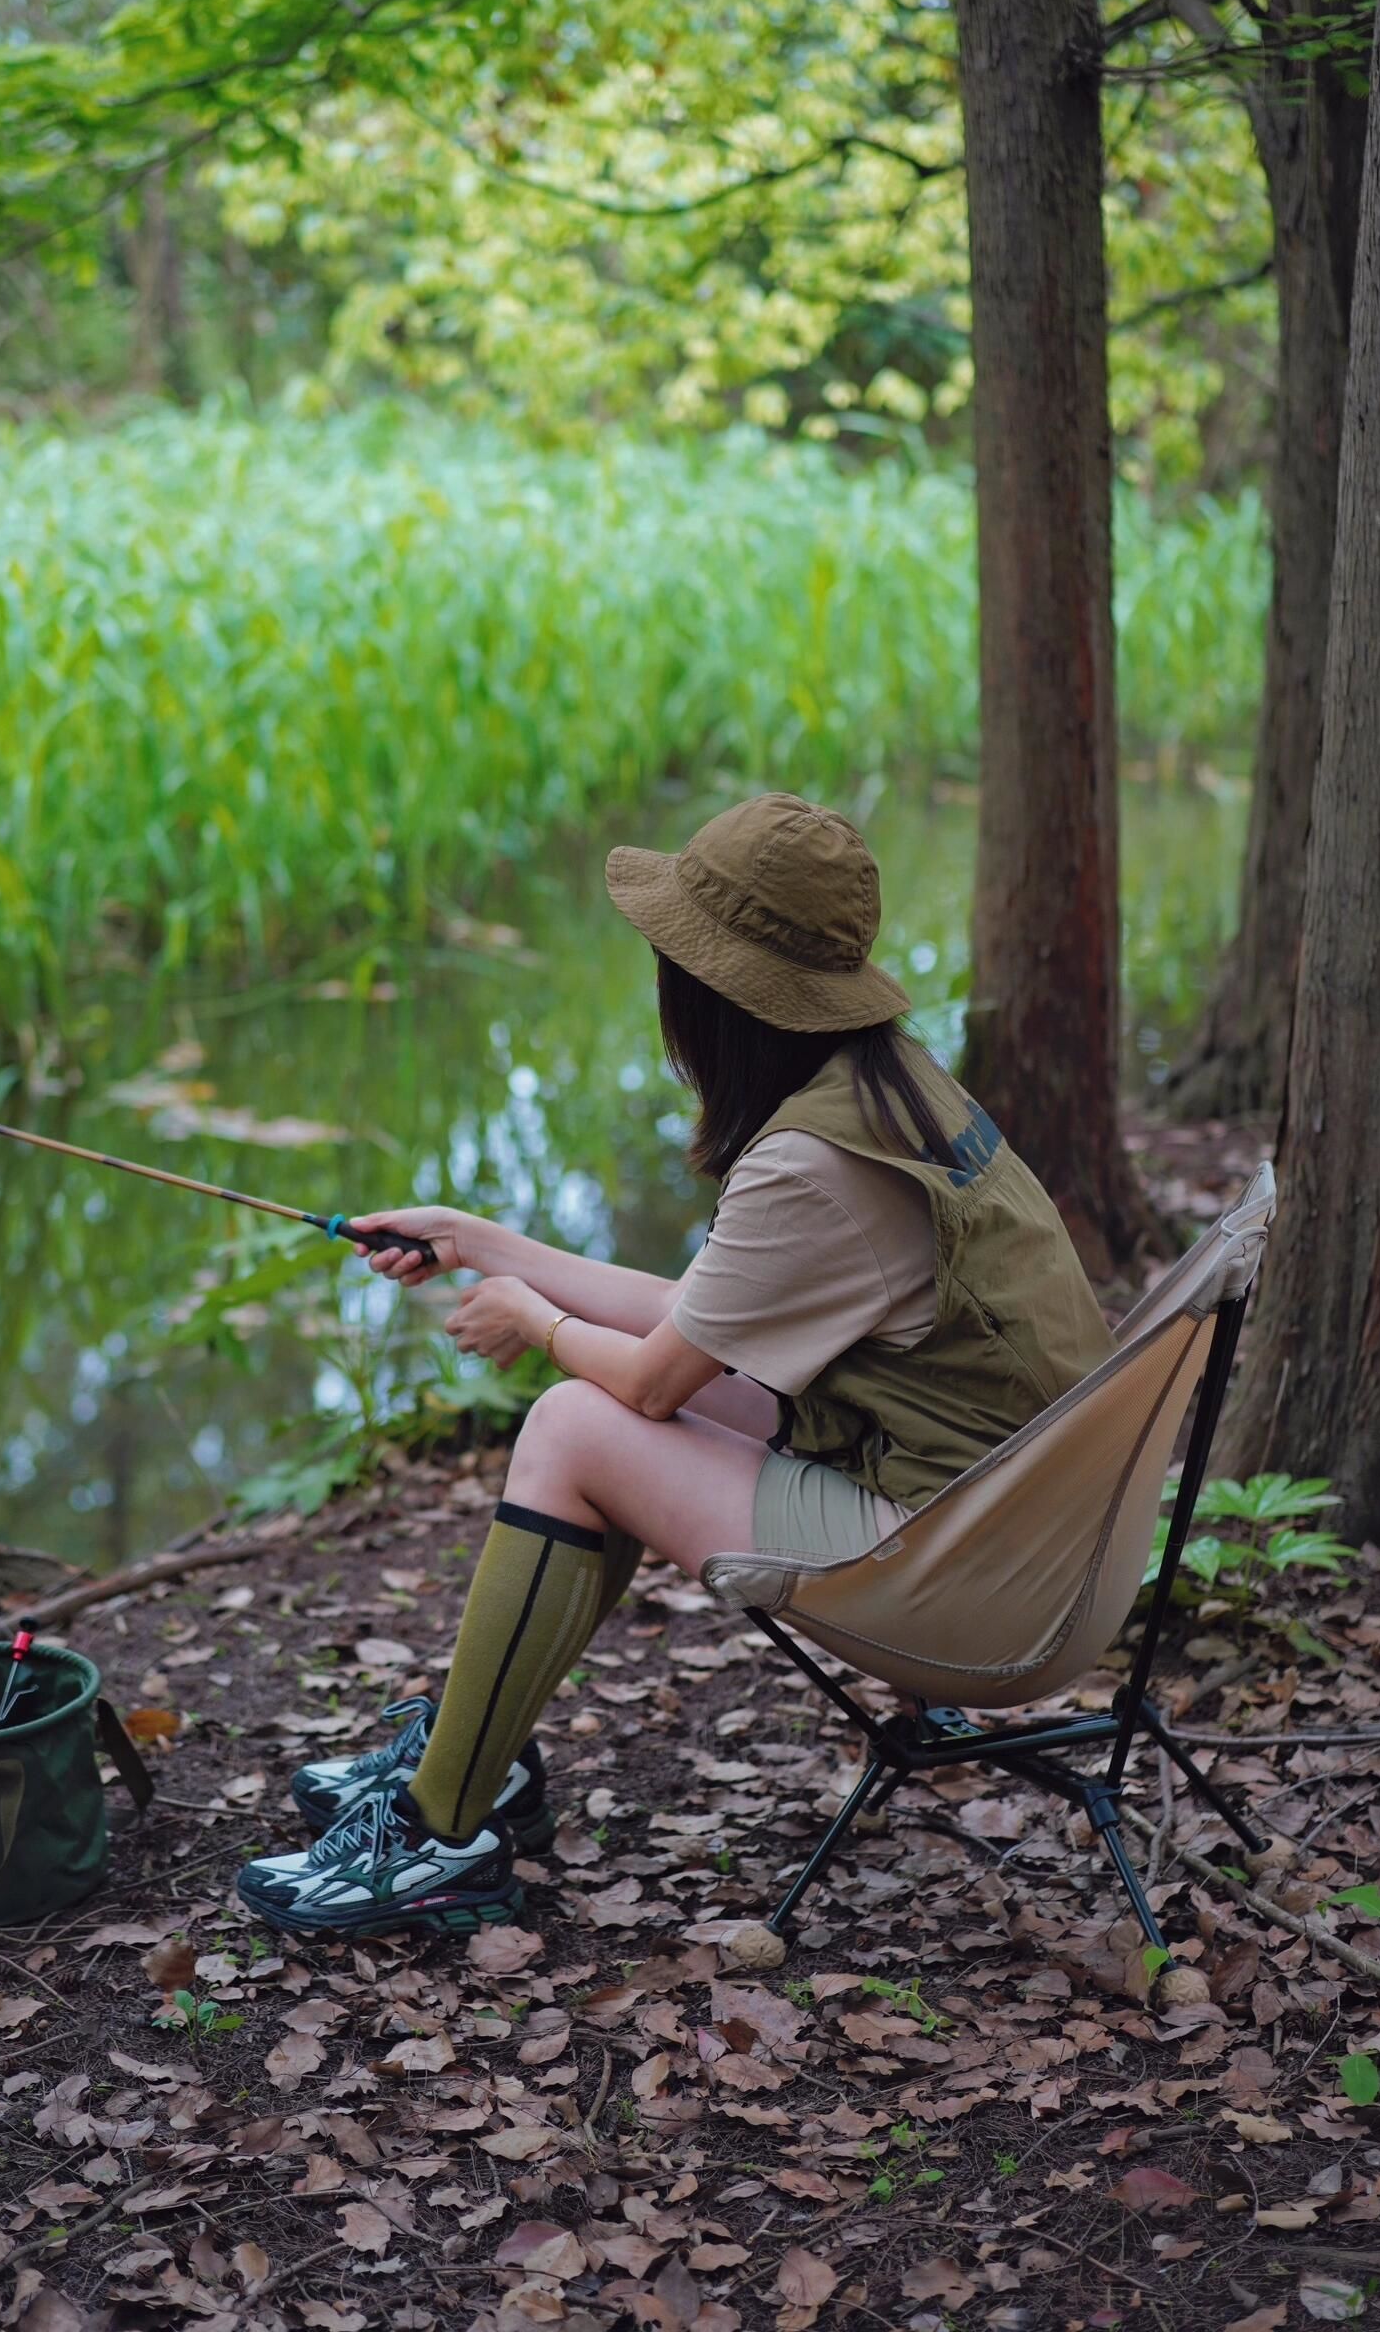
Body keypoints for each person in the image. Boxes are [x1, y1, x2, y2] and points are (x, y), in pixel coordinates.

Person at [236, 793, 1112, 1940]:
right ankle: (473, 1758)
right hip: (1030, 1541)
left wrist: (532, 1321)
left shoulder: (811, 1162)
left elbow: (651, 1383)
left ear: (717, 990)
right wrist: (486, 1240)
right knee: (602, 1408)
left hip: (978, 1589)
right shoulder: (888, 1086)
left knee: (575, 1426)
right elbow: (697, 1329)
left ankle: (438, 1830)